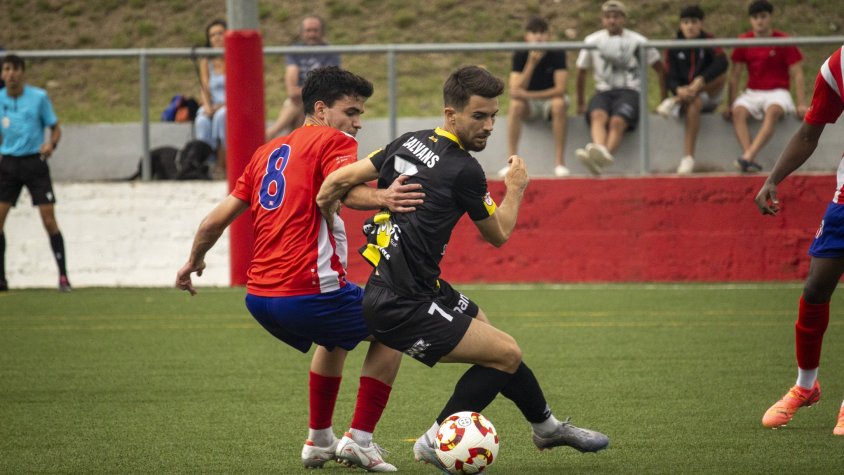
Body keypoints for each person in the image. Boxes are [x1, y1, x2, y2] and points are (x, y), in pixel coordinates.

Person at [317, 66, 609, 472]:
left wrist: (365, 198)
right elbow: (499, 233)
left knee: (490, 337)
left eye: (493, 115)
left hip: (406, 286)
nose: (489, 126)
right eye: (479, 116)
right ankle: (434, 440)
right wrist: (518, 188)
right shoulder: (465, 170)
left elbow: (339, 181)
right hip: (404, 303)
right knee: (506, 354)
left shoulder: (409, 141)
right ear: (450, 115)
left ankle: (547, 426)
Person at [175, 66, 425, 471]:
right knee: (397, 322)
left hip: (258, 298)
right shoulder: (333, 139)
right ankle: (360, 439)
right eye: (351, 112)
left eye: (361, 114)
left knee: (336, 338)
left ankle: (319, 441)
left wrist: (194, 261)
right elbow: (345, 190)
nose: (357, 123)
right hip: (305, 291)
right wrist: (386, 198)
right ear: (321, 109)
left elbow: (212, 222)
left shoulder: (266, 152)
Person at [754, 45, 844, 436]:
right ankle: (806, 387)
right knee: (815, 288)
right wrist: (773, 178)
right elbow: (810, 131)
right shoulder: (838, 66)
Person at [0, 54, 70, 292]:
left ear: (22, 73)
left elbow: (56, 128)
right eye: (7, 69)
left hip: (34, 163)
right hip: (7, 164)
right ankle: (1, 279)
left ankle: (63, 277)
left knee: (49, 220)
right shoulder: (0, 100)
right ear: (2, 74)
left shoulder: (38, 97)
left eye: (15, 69)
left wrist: (51, 145)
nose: (11, 74)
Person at [574, 0, 664, 176]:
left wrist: (662, 100)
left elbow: (660, 69)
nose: (612, 21)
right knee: (598, 115)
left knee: (617, 121)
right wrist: (580, 102)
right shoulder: (592, 40)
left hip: (630, 91)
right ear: (602, 20)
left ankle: (599, 158)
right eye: (607, 17)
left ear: (623, 19)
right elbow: (581, 72)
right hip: (603, 91)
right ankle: (600, 154)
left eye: (616, 17)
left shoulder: (638, 40)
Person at [724, 0, 807, 174]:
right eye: (755, 17)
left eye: (763, 17)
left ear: (770, 18)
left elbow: (797, 73)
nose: (759, 21)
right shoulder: (744, 41)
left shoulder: (783, 40)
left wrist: (801, 104)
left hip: (778, 91)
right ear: (750, 20)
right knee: (738, 112)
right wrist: (729, 104)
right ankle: (750, 157)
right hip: (753, 91)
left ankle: (747, 157)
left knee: (773, 110)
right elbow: (735, 75)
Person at [659, 5, 727, 174]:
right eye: (686, 22)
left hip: (709, 94)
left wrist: (701, 80)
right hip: (688, 99)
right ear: (681, 25)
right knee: (694, 102)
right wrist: (678, 90)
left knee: (721, 77)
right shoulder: (674, 47)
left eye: (694, 22)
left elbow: (723, 62)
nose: (690, 26)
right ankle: (688, 158)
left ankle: (673, 102)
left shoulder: (709, 41)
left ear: (701, 23)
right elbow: (669, 76)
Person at [499, 16, 570, 178]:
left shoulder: (557, 53)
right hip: (528, 104)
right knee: (515, 105)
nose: (538, 37)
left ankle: (560, 163)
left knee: (559, 104)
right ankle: (511, 163)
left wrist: (528, 94)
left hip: (550, 102)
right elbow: (515, 90)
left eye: (542, 33)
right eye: (534, 33)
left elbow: (560, 89)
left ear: (549, 36)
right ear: (527, 37)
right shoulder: (520, 54)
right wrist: (531, 63)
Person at [265, 15, 341, 140]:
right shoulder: (295, 50)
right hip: (299, 100)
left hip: (322, 100)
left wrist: (304, 93)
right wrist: (304, 93)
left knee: (305, 106)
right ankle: (289, 141)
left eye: (315, 30)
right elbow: (291, 86)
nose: (312, 34)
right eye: (308, 30)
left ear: (321, 32)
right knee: (299, 105)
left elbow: (329, 84)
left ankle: (271, 134)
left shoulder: (330, 51)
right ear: (301, 33)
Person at [195, 19, 227, 178]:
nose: (216, 38)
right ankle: (205, 164)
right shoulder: (206, 60)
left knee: (221, 117)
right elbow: (204, 86)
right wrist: (207, 106)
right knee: (201, 119)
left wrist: (221, 106)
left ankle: (222, 165)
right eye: (212, 35)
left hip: (230, 105)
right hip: (213, 104)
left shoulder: (236, 57)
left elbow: (240, 88)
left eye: (220, 33)